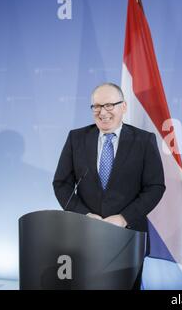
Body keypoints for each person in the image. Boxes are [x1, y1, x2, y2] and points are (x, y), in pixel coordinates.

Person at [53, 82, 165, 288]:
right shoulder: (76, 138)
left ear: (123, 107)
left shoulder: (144, 140)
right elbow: (61, 183)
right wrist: (84, 216)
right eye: (96, 106)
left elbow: (155, 186)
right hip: (84, 234)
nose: (102, 112)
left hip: (129, 236)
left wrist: (124, 218)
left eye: (109, 105)